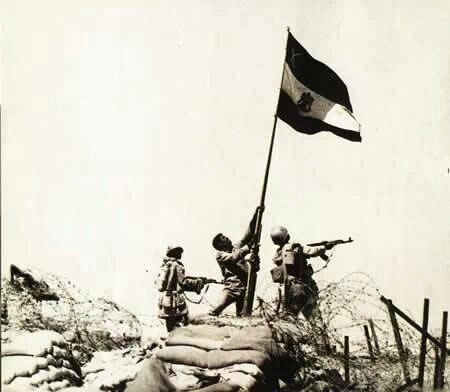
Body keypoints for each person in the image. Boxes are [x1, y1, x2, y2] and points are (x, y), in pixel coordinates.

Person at [269, 225, 334, 319]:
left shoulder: (278, 254)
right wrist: (324, 247)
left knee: (290, 317)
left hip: (289, 288)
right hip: (303, 286)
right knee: (314, 317)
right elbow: (313, 251)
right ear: (286, 236)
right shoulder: (295, 247)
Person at [209, 209, 259, 317]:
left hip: (244, 287)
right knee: (216, 309)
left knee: (242, 315)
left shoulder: (236, 247)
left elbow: (248, 235)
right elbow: (234, 257)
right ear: (220, 245)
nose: (227, 238)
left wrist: (256, 215)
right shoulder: (220, 255)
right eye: (224, 238)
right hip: (231, 288)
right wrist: (249, 247)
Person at [155, 246, 205, 332]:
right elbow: (183, 282)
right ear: (175, 254)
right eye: (178, 252)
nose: (180, 254)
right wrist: (198, 283)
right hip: (176, 301)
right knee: (182, 323)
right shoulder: (177, 265)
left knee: (170, 325)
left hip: (165, 300)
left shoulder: (165, 265)